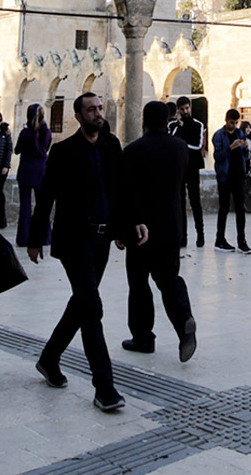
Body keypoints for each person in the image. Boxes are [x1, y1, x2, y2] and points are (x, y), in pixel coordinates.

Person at [26, 92, 125, 412]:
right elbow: (46, 195)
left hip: (102, 238)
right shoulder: (63, 151)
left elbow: (120, 189)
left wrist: (127, 225)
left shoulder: (111, 145)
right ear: (79, 116)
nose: (98, 113)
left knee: (82, 303)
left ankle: (49, 358)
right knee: (92, 306)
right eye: (92, 110)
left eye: (100, 108)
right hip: (73, 239)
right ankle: (105, 387)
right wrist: (36, 236)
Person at [119, 100, 197, 362]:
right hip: (171, 224)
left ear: (143, 121)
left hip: (141, 228)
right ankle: (184, 319)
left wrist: (122, 228)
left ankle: (143, 337)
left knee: (139, 283)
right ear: (168, 120)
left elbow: (126, 193)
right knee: (168, 278)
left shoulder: (132, 151)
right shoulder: (179, 147)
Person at [168, 97, 207, 248]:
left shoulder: (198, 125)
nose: (185, 111)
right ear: (178, 110)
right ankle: (182, 236)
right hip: (179, 168)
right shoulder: (173, 125)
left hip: (192, 167)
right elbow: (171, 140)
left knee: (195, 201)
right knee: (180, 202)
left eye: (187, 108)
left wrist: (181, 144)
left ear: (190, 107)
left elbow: (197, 146)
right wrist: (180, 128)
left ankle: (200, 235)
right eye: (182, 109)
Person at [210, 110, 251, 253]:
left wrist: (245, 148)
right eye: (231, 122)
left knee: (240, 207)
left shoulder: (240, 133)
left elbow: (245, 156)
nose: (233, 125)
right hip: (225, 176)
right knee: (224, 207)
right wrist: (230, 148)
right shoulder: (219, 135)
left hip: (238, 174)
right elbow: (218, 156)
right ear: (226, 120)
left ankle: (242, 240)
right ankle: (219, 239)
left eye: (236, 123)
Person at [13, 104, 51, 249]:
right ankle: (45, 237)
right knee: (42, 206)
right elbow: (44, 151)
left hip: (25, 171)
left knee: (25, 207)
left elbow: (17, 150)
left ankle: (24, 238)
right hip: (41, 171)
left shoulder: (25, 133)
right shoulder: (46, 132)